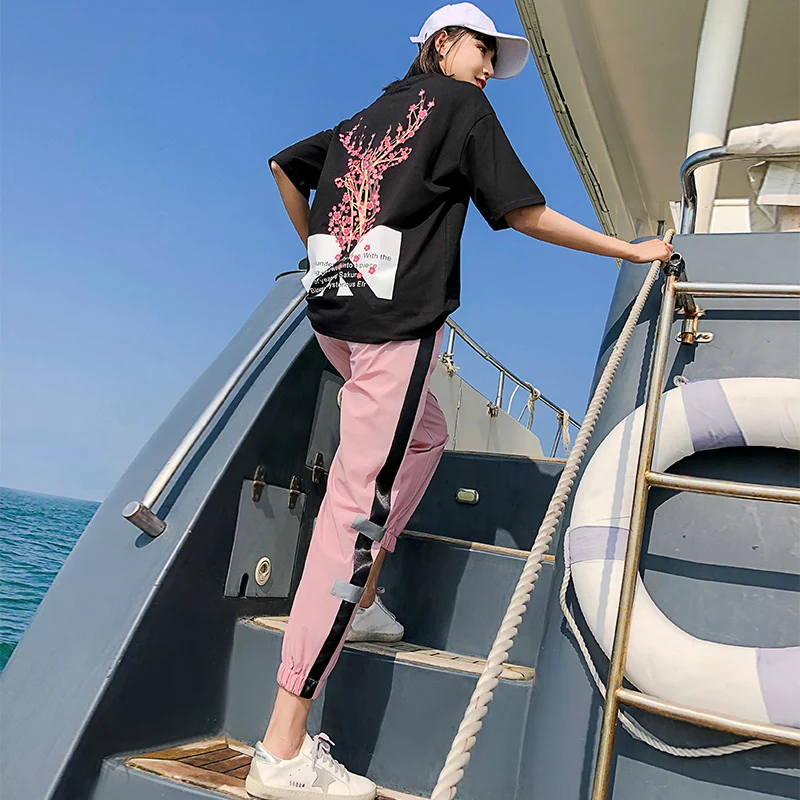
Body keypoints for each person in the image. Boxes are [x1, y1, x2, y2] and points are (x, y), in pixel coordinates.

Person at [245, 4, 673, 798]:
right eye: (483, 51)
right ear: (443, 45)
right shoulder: (459, 105)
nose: (488, 71)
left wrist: (320, 255)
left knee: (426, 433)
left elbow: (281, 165)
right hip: (392, 331)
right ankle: (282, 748)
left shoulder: (363, 117)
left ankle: (365, 600)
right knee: (351, 516)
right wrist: (629, 248)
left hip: (334, 318)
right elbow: (524, 213)